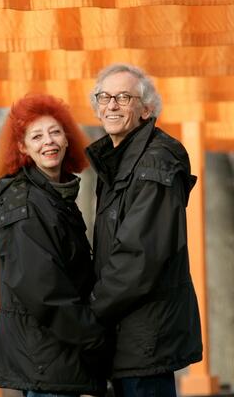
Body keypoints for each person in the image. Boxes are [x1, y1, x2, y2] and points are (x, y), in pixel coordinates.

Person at [85, 64, 203, 397]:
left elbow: (139, 257)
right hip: (127, 335)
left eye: (124, 97)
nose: (111, 105)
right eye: (104, 97)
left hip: (145, 337)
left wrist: (91, 312)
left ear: (146, 110)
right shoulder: (119, 161)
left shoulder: (155, 163)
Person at [0, 94, 107, 397]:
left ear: (68, 139)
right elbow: (41, 288)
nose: (48, 141)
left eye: (55, 132)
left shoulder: (55, 196)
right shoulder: (24, 201)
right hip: (46, 358)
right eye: (36, 136)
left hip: (62, 354)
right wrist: (94, 334)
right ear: (23, 148)